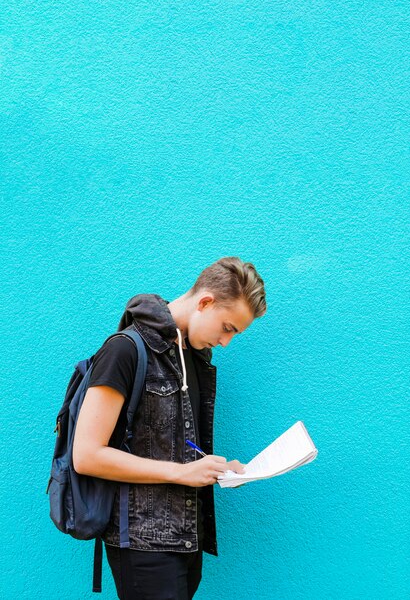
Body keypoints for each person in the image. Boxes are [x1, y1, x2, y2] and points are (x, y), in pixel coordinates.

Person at [73, 257, 267, 600]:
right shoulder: (125, 349)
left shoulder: (190, 357)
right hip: (142, 543)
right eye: (228, 328)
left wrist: (216, 468)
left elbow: (169, 445)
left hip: (185, 540)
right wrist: (181, 473)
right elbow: (87, 456)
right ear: (205, 301)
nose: (226, 343)